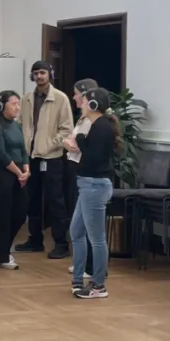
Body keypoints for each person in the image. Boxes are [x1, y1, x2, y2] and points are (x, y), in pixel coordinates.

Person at [63, 87, 121, 299]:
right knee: (76, 231)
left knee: (97, 238)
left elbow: (94, 157)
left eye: (85, 100)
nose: (81, 104)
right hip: (87, 184)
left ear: (94, 104)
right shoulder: (96, 125)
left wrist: (80, 140)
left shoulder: (102, 127)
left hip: (95, 185)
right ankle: (78, 279)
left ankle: (98, 285)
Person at [18, 61, 74, 260]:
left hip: (51, 158)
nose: (39, 76)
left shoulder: (60, 98)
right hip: (30, 157)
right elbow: (21, 123)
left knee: (54, 200)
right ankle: (35, 240)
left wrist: (49, 144)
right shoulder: (26, 98)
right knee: (31, 199)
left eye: (42, 72)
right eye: (36, 73)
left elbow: (67, 129)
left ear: (50, 74)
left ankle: (61, 243)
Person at [0, 91, 29, 269]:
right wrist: (19, 173)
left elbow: (23, 150)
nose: (17, 107)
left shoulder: (16, 126)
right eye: (13, 104)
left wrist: (26, 169)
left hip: (20, 174)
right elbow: (1, 154)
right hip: (3, 175)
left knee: (20, 213)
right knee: (5, 216)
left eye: (18, 104)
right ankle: (2, 256)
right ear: (1, 106)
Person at [64, 78, 98, 283]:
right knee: (79, 221)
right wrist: (67, 142)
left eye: (77, 93)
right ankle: (82, 263)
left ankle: (91, 266)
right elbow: (69, 139)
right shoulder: (82, 118)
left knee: (88, 221)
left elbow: (79, 144)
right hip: (75, 167)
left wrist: (70, 143)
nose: (74, 97)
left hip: (85, 171)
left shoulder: (93, 121)